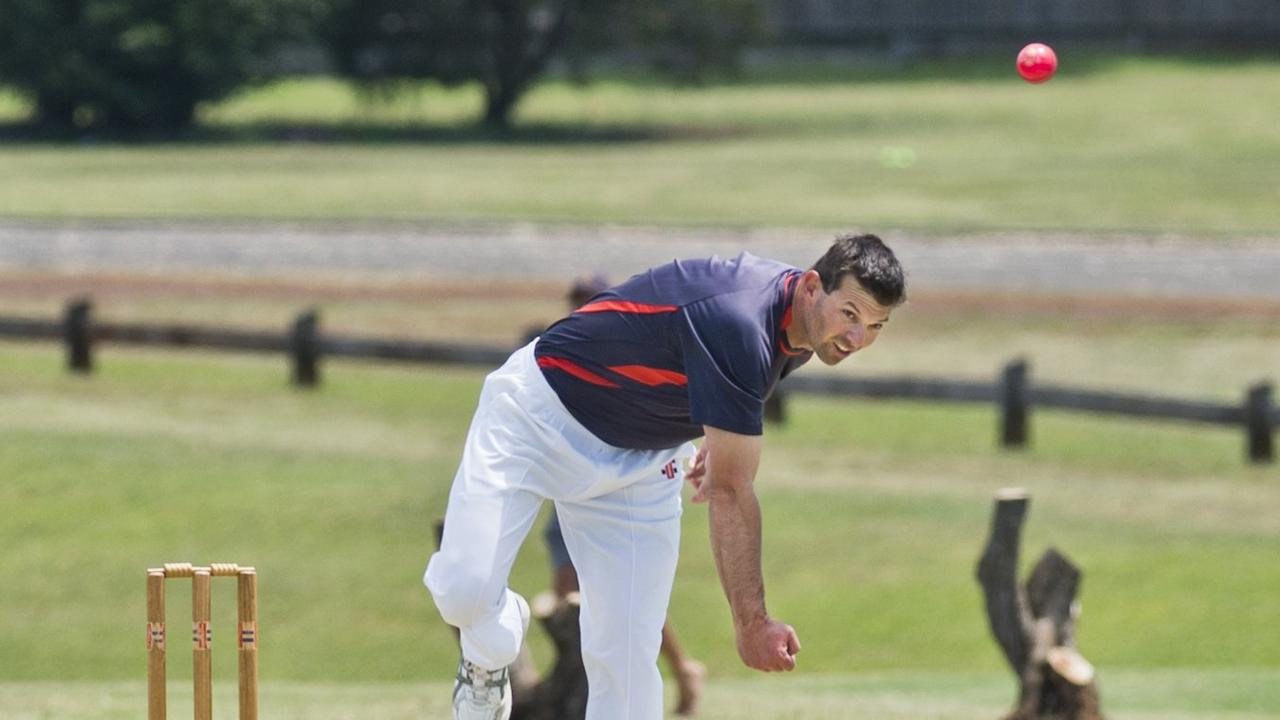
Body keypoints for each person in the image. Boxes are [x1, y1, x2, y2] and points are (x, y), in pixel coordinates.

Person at [425, 233, 907, 720]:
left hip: (641, 462)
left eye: (875, 326)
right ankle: (488, 656)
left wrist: (711, 436)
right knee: (465, 591)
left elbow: (716, 380)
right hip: (537, 416)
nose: (856, 339)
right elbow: (731, 490)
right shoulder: (741, 317)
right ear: (809, 287)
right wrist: (752, 622)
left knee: (629, 665)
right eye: (850, 314)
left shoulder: (804, 327)